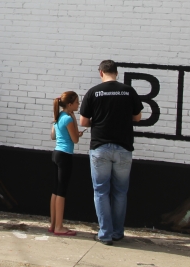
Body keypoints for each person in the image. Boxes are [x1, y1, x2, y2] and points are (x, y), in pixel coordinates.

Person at [79, 60, 143, 245]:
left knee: (100, 191)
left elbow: (83, 122)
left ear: (101, 73)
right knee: (120, 192)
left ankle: (105, 234)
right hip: (123, 147)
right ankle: (117, 232)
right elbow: (137, 117)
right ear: (117, 72)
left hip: (100, 147)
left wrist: (98, 122)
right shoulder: (128, 91)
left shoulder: (93, 92)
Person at [49, 91, 83, 236]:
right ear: (70, 104)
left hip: (56, 153)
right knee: (62, 192)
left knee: (55, 190)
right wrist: (74, 122)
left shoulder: (58, 117)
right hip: (65, 156)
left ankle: (53, 224)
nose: (78, 104)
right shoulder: (68, 119)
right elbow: (75, 140)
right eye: (76, 102)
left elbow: (53, 136)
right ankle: (59, 227)